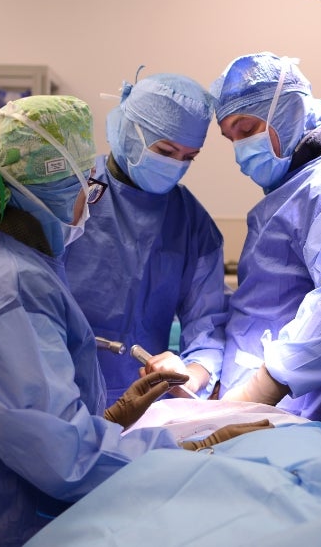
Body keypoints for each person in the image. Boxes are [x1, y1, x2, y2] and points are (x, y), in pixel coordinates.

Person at [0, 95, 267, 546]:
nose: (89, 201)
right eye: (88, 187)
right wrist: (186, 451)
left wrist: (110, 419)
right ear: (58, 188)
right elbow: (61, 458)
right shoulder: (12, 287)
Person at [201, 52, 321, 435]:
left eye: (247, 128)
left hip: (313, 413)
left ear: (288, 112)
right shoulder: (298, 189)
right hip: (275, 414)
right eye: (231, 138)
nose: (240, 147)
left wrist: (262, 388)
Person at [64, 72, 228, 402]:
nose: (176, 165)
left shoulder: (189, 220)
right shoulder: (69, 193)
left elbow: (208, 323)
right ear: (128, 131)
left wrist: (191, 375)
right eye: (166, 151)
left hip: (143, 403)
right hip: (58, 393)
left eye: (188, 158)